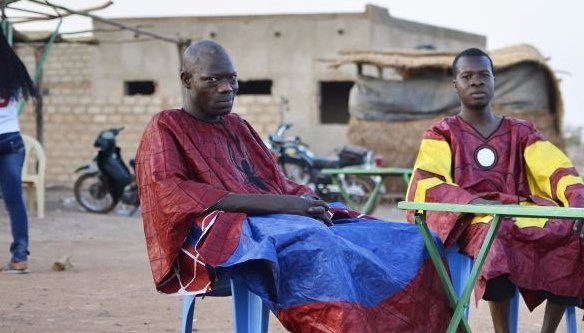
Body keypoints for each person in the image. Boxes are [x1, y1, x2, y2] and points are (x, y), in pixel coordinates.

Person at [136, 40, 451, 332]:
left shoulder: (238, 127)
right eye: (212, 80)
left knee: (404, 238)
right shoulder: (166, 126)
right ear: (187, 80)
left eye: (232, 78)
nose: (226, 88)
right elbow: (173, 194)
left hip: (278, 223)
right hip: (216, 244)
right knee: (317, 242)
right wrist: (287, 206)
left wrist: (308, 200)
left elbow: (275, 181)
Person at [406, 48, 584, 333]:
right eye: (467, 76)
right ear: (455, 85)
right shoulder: (442, 133)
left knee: (573, 234)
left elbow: (558, 170)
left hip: (518, 213)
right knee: (495, 235)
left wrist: (579, 203)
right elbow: (428, 183)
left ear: (494, 81)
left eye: (483, 75)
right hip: (472, 218)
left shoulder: (521, 132)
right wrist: (478, 204)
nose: (476, 81)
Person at [0, 30, 35, 274]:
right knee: (14, 201)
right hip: (12, 139)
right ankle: (20, 256)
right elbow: (22, 95)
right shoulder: (13, 70)